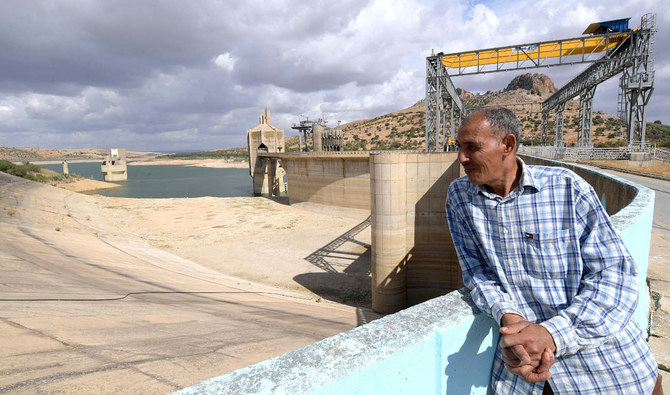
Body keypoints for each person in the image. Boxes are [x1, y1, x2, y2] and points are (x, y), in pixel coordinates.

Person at [445, 107, 661, 394]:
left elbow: (615, 275)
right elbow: (476, 272)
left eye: (472, 148)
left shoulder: (566, 188)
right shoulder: (459, 197)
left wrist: (550, 334)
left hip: (603, 364)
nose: (461, 158)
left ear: (507, 145)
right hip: (521, 368)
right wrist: (508, 317)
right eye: (459, 147)